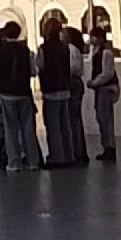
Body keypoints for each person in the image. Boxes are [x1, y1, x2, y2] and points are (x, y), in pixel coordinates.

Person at [38, 10, 88, 167]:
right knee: (66, 124)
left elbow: (40, 67)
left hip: (51, 89)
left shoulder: (44, 48)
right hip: (65, 88)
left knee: (53, 124)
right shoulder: (65, 48)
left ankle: (57, 156)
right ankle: (69, 154)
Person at [0, 19, 41, 170]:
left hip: (6, 94)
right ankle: (33, 161)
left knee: (10, 129)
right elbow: (33, 72)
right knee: (28, 128)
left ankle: (14, 162)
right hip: (24, 92)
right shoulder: (26, 50)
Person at [85, 15, 120, 162]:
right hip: (101, 88)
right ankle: (106, 146)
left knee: (105, 119)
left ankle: (109, 147)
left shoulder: (106, 53)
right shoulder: (98, 52)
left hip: (106, 88)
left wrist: (95, 82)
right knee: (102, 118)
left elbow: (107, 73)